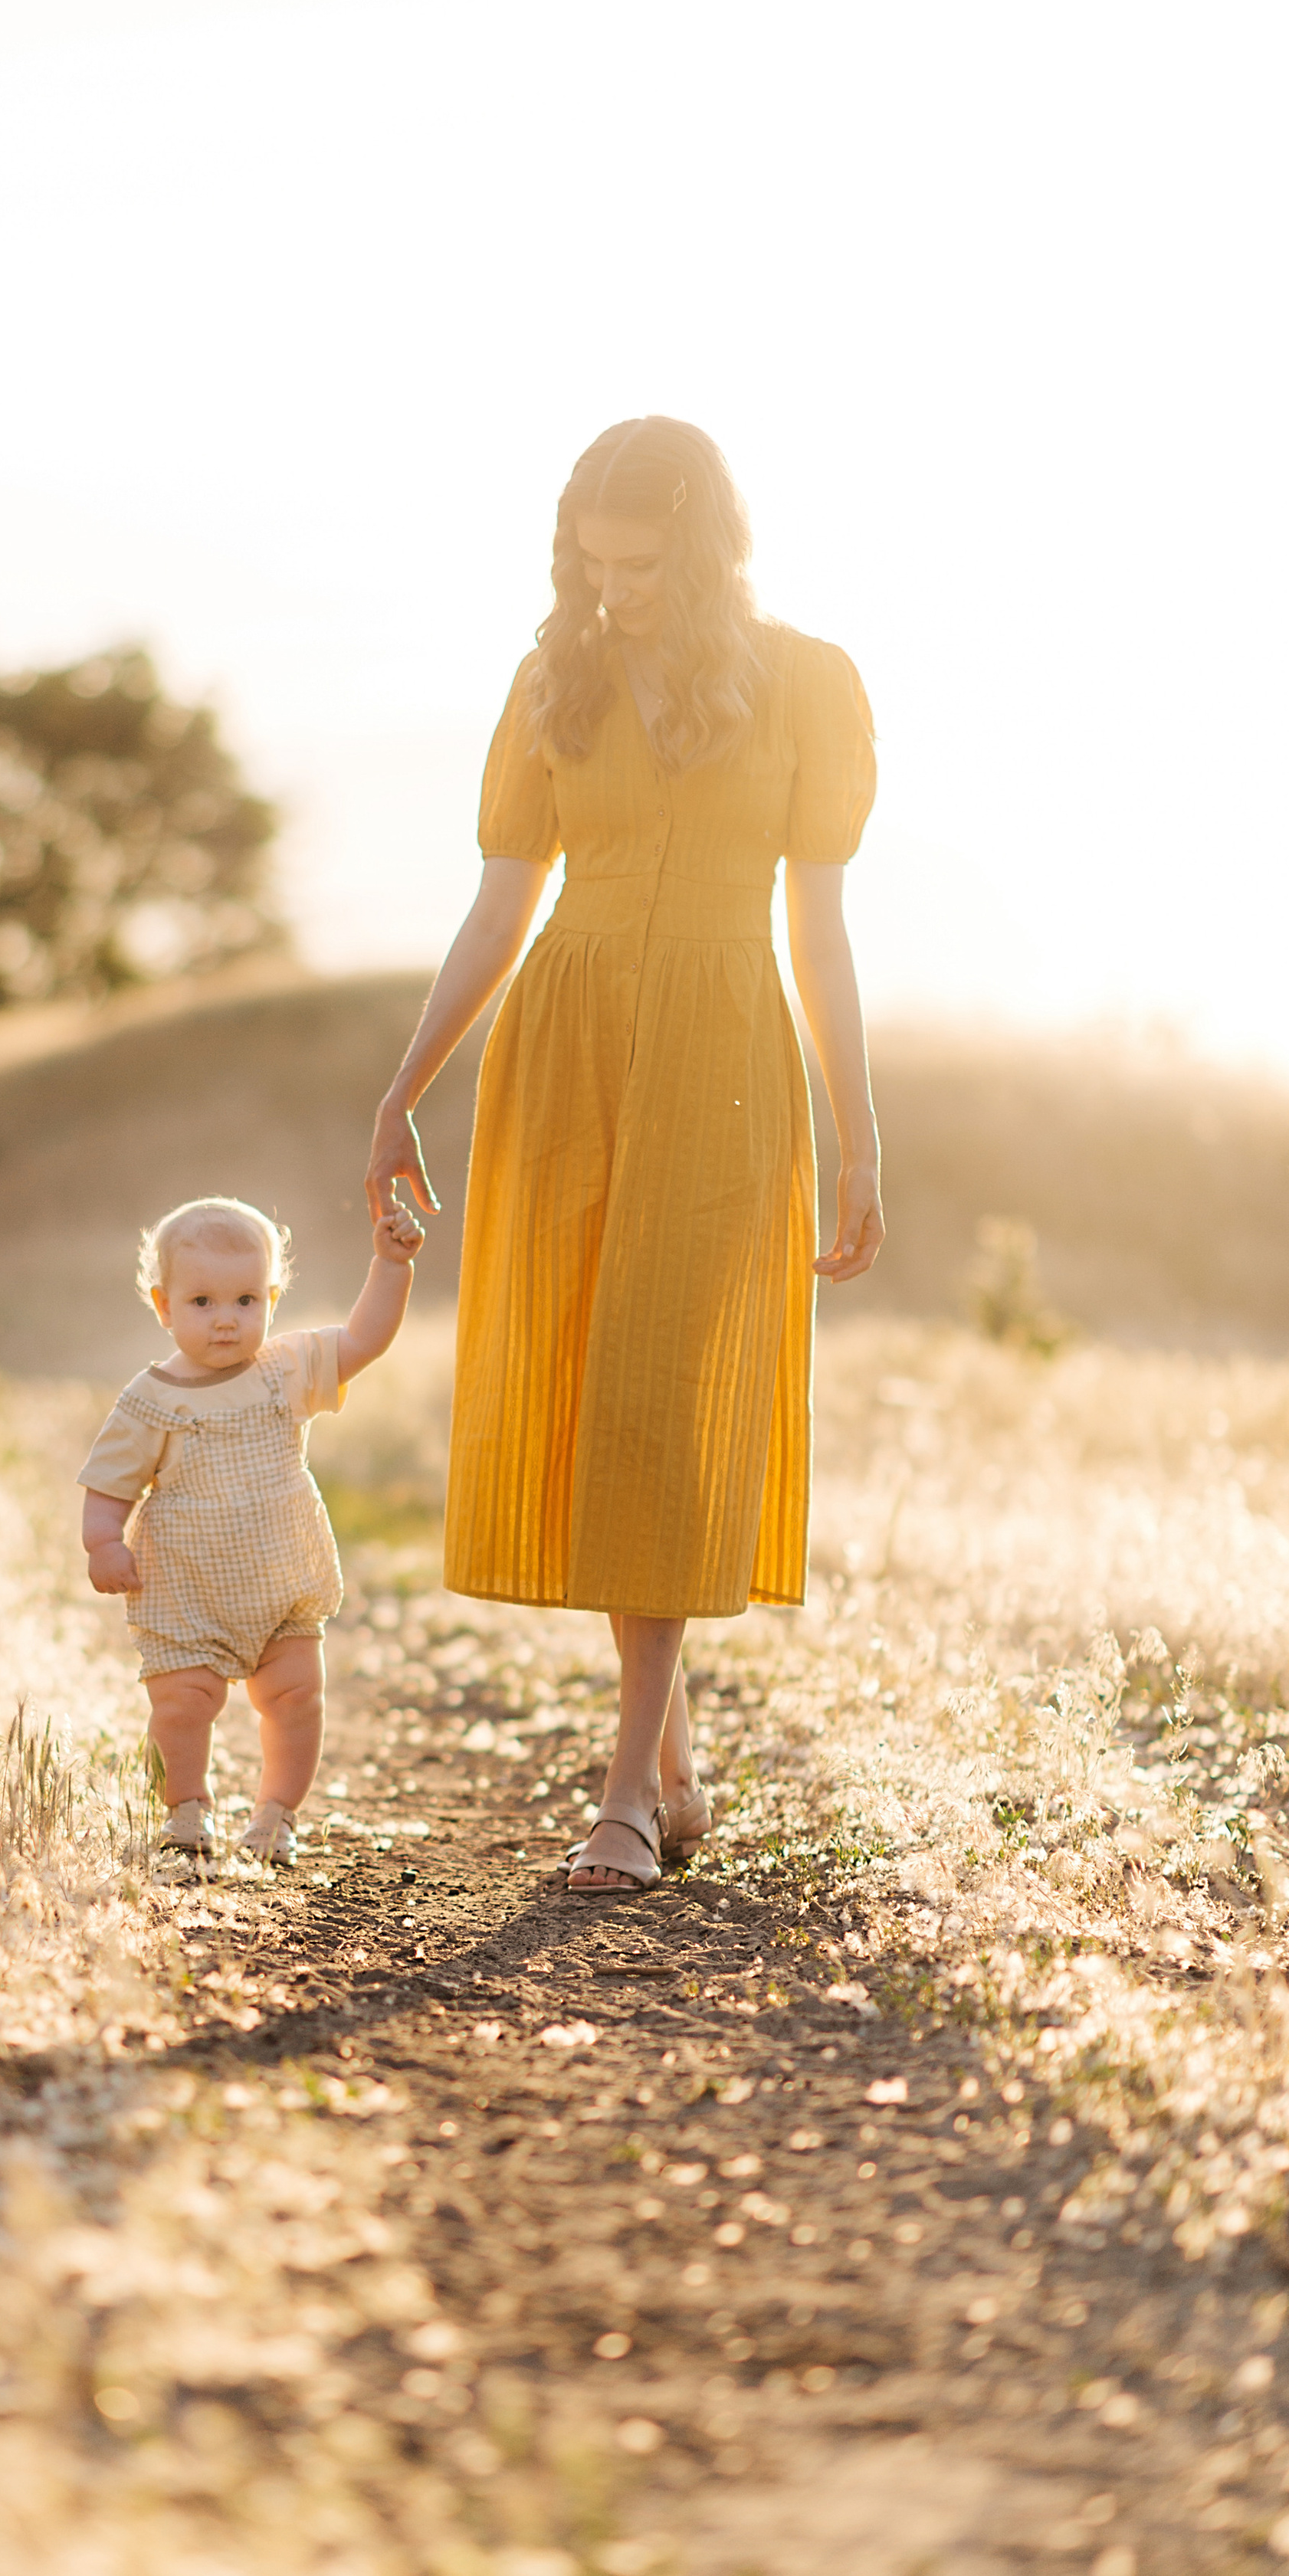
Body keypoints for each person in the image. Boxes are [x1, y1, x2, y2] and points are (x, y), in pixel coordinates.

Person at [365, 415, 883, 1895]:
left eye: (644, 565)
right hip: (568, 1050)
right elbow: (501, 901)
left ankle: (627, 1799)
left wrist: (858, 1140)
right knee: (603, 1393)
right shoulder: (555, 680)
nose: (617, 592)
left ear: (709, 549)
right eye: (594, 564)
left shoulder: (806, 685)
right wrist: (404, 1085)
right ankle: (670, 1750)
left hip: (724, 1061)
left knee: (665, 1391)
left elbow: (822, 931)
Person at [78, 1192, 425, 1870]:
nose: (227, 1321)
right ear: (164, 1306)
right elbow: (109, 1483)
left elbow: (364, 1339)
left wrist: (391, 1265)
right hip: (186, 1589)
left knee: (298, 1699)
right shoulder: (151, 1398)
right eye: (202, 1302)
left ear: (270, 1300)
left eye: (246, 1301)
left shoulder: (286, 1370)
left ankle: (276, 1815)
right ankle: (186, 1808)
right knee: (182, 1705)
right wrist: (103, 1541)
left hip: (280, 1580)